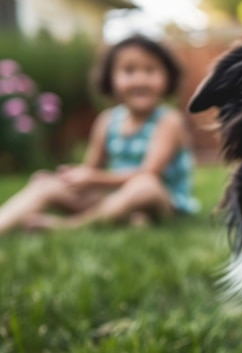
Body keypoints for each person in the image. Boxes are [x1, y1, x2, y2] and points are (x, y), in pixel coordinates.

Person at [0, 35, 199, 233]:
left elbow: (148, 173)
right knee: (45, 185)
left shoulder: (168, 121)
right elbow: (90, 170)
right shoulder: (107, 121)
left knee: (145, 185)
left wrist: (93, 178)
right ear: (110, 79)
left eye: (150, 70)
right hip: (114, 198)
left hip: (161, 202)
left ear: (168, 77)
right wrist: (67, 179)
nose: (140, 79)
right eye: (129, 70)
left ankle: (71, 227)